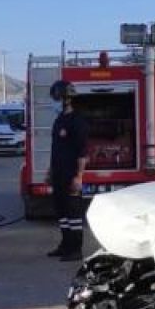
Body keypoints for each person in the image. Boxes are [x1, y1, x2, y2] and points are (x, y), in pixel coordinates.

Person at [46, 80, 89, 262]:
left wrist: (79, 176)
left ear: (66, 99)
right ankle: (65, 246)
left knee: (73, 213)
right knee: (61, 211)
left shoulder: (77, 121)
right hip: (58, 173)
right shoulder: (58, 120)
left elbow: (82, 152)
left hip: (71, 174)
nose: (53, 102)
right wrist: (50, 171)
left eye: (56, 98)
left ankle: (76, 250)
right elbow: (56, 148)